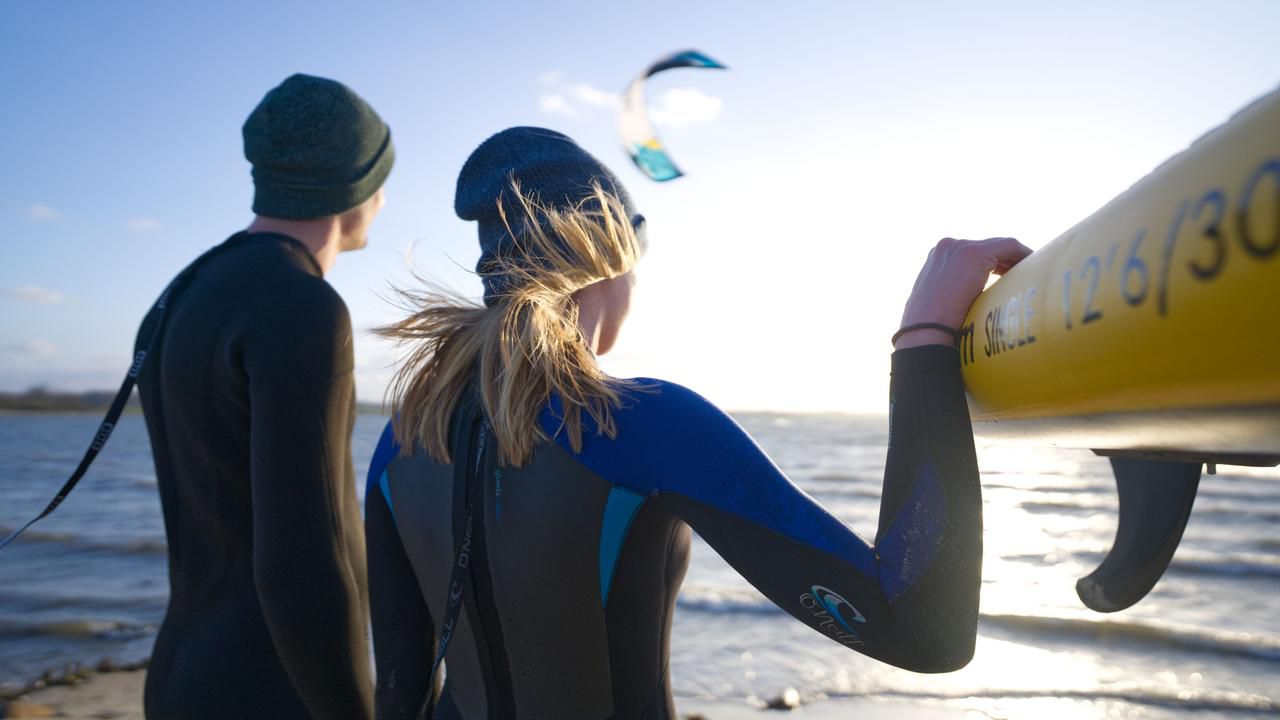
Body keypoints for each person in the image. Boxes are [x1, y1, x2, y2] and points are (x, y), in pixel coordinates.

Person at [365, 127, 1030, 719]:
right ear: (612, 262)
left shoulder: (404, 438)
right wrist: (925, 342)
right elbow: (925, 633)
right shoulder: (642, 423)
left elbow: (398, 692)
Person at [134, 74, 394, 720]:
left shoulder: (182, 293)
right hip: (271, 692)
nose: (385, 199)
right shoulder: (303, 310)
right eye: (380, 178)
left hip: (179, 676)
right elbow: (302, 561)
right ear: (352, 186)